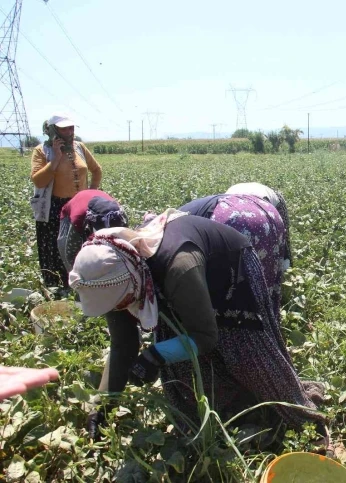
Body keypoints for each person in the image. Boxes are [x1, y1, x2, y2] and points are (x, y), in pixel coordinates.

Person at [69, 211, 326, 447]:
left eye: (123, 302)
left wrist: (155, 355)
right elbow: (123, 345)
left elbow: (205, 337)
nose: (121, 309)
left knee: (248, 356)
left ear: (133, 281)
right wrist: (100, 407)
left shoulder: (177, 267)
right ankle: (228, 408)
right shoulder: (118, 278)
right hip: (182, 278)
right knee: (178, 360)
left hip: (230, 271)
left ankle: (303, 420)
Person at [178, 186, 292, 323]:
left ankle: (229, 324)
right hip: (260, 217)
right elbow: (284, 235)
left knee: (230, 284)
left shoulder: (223, 198)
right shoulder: (275, 199)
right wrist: (286, 262)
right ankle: (268, 322)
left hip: (226, 216)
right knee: (263, 278)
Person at [31, 113, 102, 288]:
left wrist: (91, 192)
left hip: (80, 205)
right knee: (55, 248)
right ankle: (58, 285)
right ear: (53, 131)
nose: (69, 132)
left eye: (71, 128)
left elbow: (97, 170)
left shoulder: (80, 148)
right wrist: (55, 159)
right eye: (64, 128)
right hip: (55, 207)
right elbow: (38, 180)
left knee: (83, 243)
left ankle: (83, 280)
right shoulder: (41, 151)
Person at [57, 189, 129, 272]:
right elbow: (71, 254)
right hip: (73, 210)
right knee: (66, 249)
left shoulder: (119, 216)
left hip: (94, 198)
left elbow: (127, 245)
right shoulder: (78, 219)